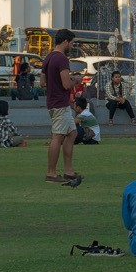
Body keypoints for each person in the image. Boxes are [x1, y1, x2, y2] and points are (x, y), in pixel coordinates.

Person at [42, 28, 82, 188]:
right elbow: (66, 84)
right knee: (57, 136)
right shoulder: (62, 59)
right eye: (71, 43)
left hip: (52, 101)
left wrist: (68, 79)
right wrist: (76, 81)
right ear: (65, 42)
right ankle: (51, 173)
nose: (72, 46)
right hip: (60, 103)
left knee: (72, 133)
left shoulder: (48, 57)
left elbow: (43, 82)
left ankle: (68, 170)